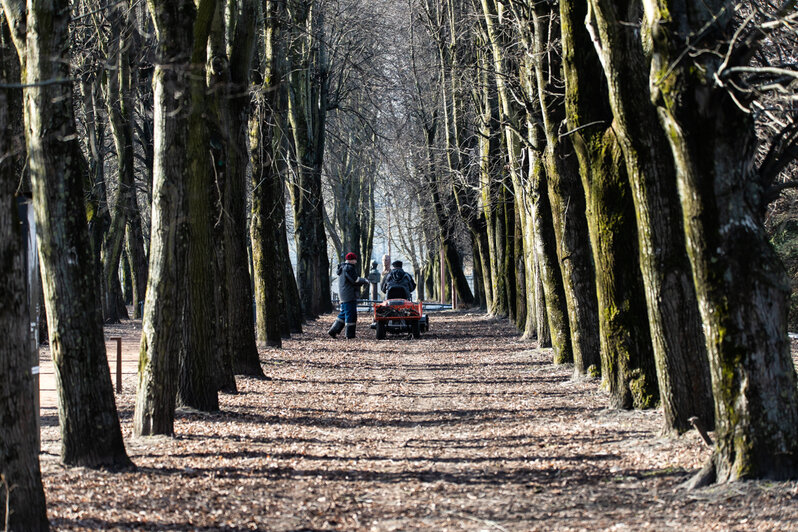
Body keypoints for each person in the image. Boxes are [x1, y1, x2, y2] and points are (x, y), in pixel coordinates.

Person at [329, 252, 368, 339]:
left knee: (344, 313)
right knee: (351, 315)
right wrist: (364, 280)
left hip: (344, 294)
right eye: (355, 259)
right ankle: (349, 335)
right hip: (349, 295)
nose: (356, 261)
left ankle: (333, 330)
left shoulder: (343, 268)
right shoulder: (349, 268)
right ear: (351, 260)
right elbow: (355, 280)